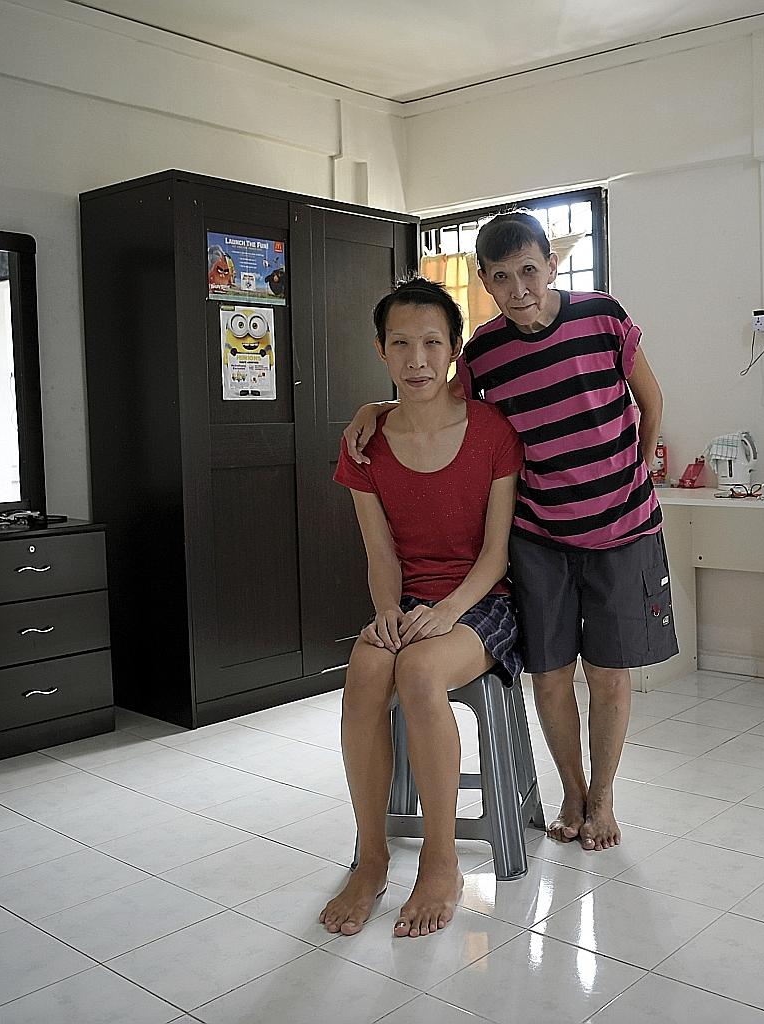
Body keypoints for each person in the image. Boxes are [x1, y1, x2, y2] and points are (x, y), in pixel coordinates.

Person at [345, 211, 675, 853]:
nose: (520, 289)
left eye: (530, 270)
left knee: (608, 672)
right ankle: (571, 792)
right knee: (550, 674)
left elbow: (651, 402)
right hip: (541, 537)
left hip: (624, 527)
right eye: (502, 278)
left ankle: (602, 798)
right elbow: (434, 396)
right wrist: (374, 408)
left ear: (552, 264)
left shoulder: (603, 316)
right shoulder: (484, 352)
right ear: (485, 283)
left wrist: (640, 468)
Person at [320, 278, 524, 939]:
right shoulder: (365, 444)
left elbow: (496, 556)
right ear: (381, 351)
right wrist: (386, 611)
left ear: (454, 349)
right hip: (409, 599)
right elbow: (381, 555)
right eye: (401, 344)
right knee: (366, 670)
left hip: (483, 601)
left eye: (432, 342)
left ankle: (441, 862)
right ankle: (372, 857)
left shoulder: (492, 431)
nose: (417, 358)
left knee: (416, 672)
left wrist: (450, 611)